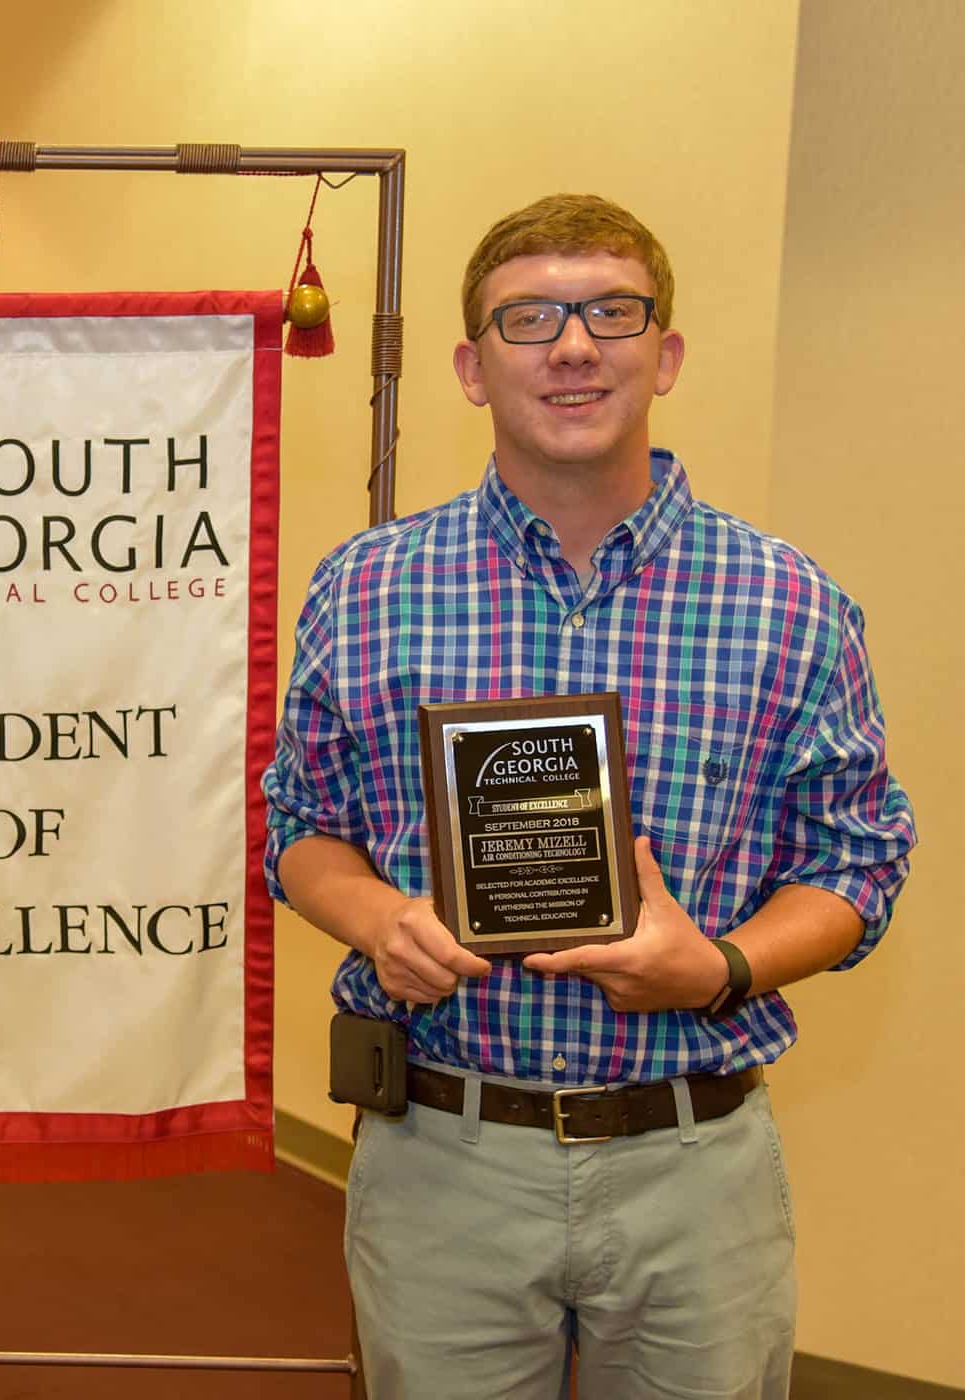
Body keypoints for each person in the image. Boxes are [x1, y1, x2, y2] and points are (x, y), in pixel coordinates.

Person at [263, 193, 914, 1399]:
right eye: (530, 318)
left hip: (695, 1162)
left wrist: (717, 967)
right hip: (444, 1155)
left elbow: (858, 860)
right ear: (470, 367)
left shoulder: (788, 600)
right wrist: (373, 919)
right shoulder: (366, 588)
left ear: (663, 353)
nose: (573, 346)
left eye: (613, 311)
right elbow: (302, 823)